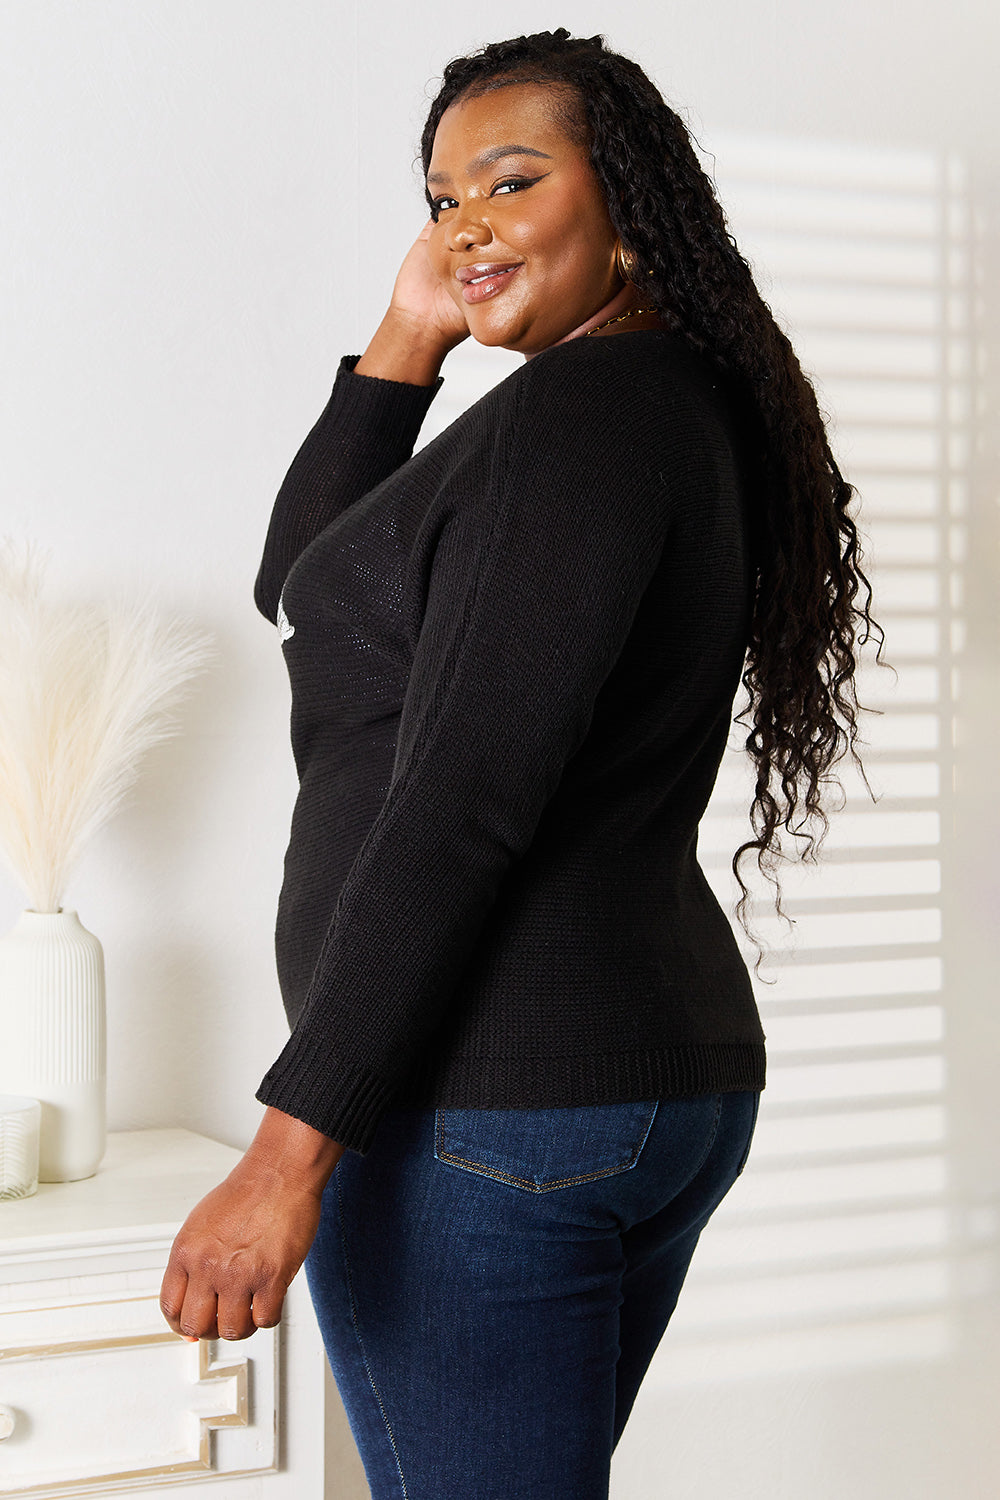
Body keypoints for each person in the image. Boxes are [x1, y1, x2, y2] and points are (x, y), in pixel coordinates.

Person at [160, 28, 879, 1500]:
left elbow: (466, 798)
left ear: (623, 194)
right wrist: (408, 333)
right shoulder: (645, 406)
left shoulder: (587, 415)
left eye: (510, 179)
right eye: (440, 200)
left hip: (490, 1107)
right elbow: (303, 581)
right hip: (627, 1082)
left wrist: (288, 1152)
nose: (464, 222)